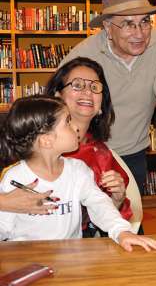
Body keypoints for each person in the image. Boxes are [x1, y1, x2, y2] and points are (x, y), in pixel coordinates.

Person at [61, 0, 156, 195]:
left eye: (145, 22)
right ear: (108, 28)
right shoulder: (86, 54)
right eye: (128, 24)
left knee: (130, 220)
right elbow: (54, 102)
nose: (140, 33)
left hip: (134, 153)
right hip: (88, 152)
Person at [0, 95, 156, 251]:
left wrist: (121, 231)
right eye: (67, 122)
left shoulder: (77, 170)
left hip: (72, 258)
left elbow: (99, 203)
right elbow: (3, 227)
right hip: (27, 260)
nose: (75, 127)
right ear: (46, 140)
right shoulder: (15, 178)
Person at [45, 57, 132, 236]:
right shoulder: (38, 146)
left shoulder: (101, 154)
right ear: (57, 95)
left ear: (101, 104)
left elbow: (103, 219)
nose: (87, 92)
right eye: (77, 85)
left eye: (94, 87)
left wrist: (117, 199)